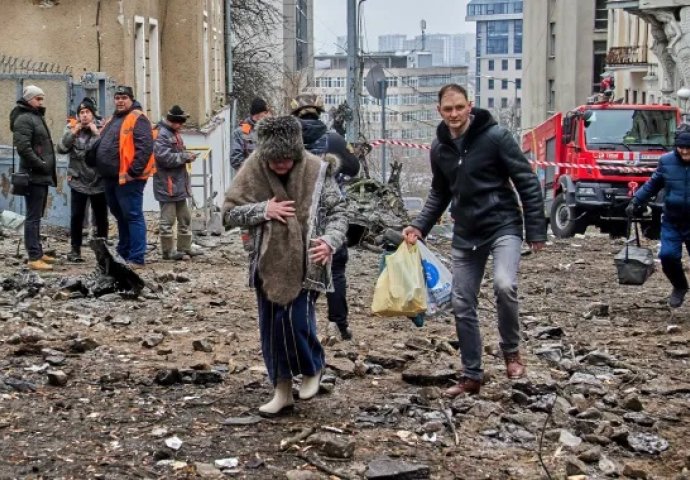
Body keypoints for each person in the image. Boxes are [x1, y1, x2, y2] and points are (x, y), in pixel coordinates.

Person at [402, 84, 547, 397]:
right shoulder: (440, 148)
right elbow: (440, 192)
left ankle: (511, 353)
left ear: (470, 106)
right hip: (466, 232)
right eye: (447, 110)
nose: (454, 115)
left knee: (504, 284)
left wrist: (536, 230)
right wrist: (419, 227)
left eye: (459, 108)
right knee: (461, 301)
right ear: (439, 112)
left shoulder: (496, 138)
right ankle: (471, 375)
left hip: (503, 224)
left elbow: (527, 182)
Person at [223, 116, 348, 416]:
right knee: (271, 328)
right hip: (267, 262)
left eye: (286, 159)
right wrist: (263, 209)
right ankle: (281, 390)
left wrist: (330, 241)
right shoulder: (253, 167)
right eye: (273, 160)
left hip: (309, 260)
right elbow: (228, 213)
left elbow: (339, 212)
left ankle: (312, 366)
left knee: (295, 321)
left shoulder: (318, 170)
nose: (280, 165)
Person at [290, 93, 360, 341]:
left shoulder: (287, 141)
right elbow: (354, 168)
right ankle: (337, 324)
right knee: (337, 268)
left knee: (297, 273)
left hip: (297, 216)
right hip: (330, 213)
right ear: (319, 114)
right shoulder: (333, 139)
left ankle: (300, 326)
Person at [90, 85, 155, 269]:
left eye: (123, 97)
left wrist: (133, 172)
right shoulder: (113, 119)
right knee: (120, 215)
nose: (120, 101)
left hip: (128, 179)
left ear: (131, 100)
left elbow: (145, 147)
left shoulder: (138, 118)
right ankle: (123, 251)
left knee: (132, 215)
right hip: (111, 177)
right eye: (117, 97)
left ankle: (136, 257)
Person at [626, 130, 690, 308]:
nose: (684, 151)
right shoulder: (666, 161)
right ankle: (680, 286)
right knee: (667, 256)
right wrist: (636, 201)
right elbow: (653, 184)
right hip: (672, 219)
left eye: (688, 148)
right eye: (681, 147)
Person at [10, 85, 57, 271]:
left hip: (40, 175)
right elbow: (23, 148)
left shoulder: (34, 116)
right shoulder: (24, 119)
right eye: (38, 99)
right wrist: (41, 164)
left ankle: (38, 251)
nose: (41, 102)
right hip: (33, 175)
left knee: (36, 216)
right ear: (29, 99)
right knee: (32, 217)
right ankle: (33, 256)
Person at [57, 97, 109, 262]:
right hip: (78, 180)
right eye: (81, 113)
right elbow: (61, 149)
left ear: (93, 114)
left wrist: (97, 133)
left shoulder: (102, 129)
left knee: (101, 217)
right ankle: (75, 250)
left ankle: (103, 252)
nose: (84, 116)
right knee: (77, 216)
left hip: (99, 181)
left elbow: (108, 151)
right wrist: (73, 133)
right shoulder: (72, 128)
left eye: (87, 112)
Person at [152, 105, 203, 260]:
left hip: (178, 184)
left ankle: (184, 247)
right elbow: (164, 158)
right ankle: (168, 251)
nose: (182, 126)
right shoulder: (162, 135)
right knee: (167, 220)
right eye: (180, 122)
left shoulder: (173, 133)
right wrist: (185, 157)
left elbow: (173, 154)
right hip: (167, 184)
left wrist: (185, 154)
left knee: (184, 218)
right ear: (174, 121)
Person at [230, 97, 270, 171]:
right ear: (259, 114)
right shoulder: (241, 131)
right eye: (266, 112)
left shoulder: (269, 130)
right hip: (249, 179)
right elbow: (235, 160)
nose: (268, 115)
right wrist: (255, 171)